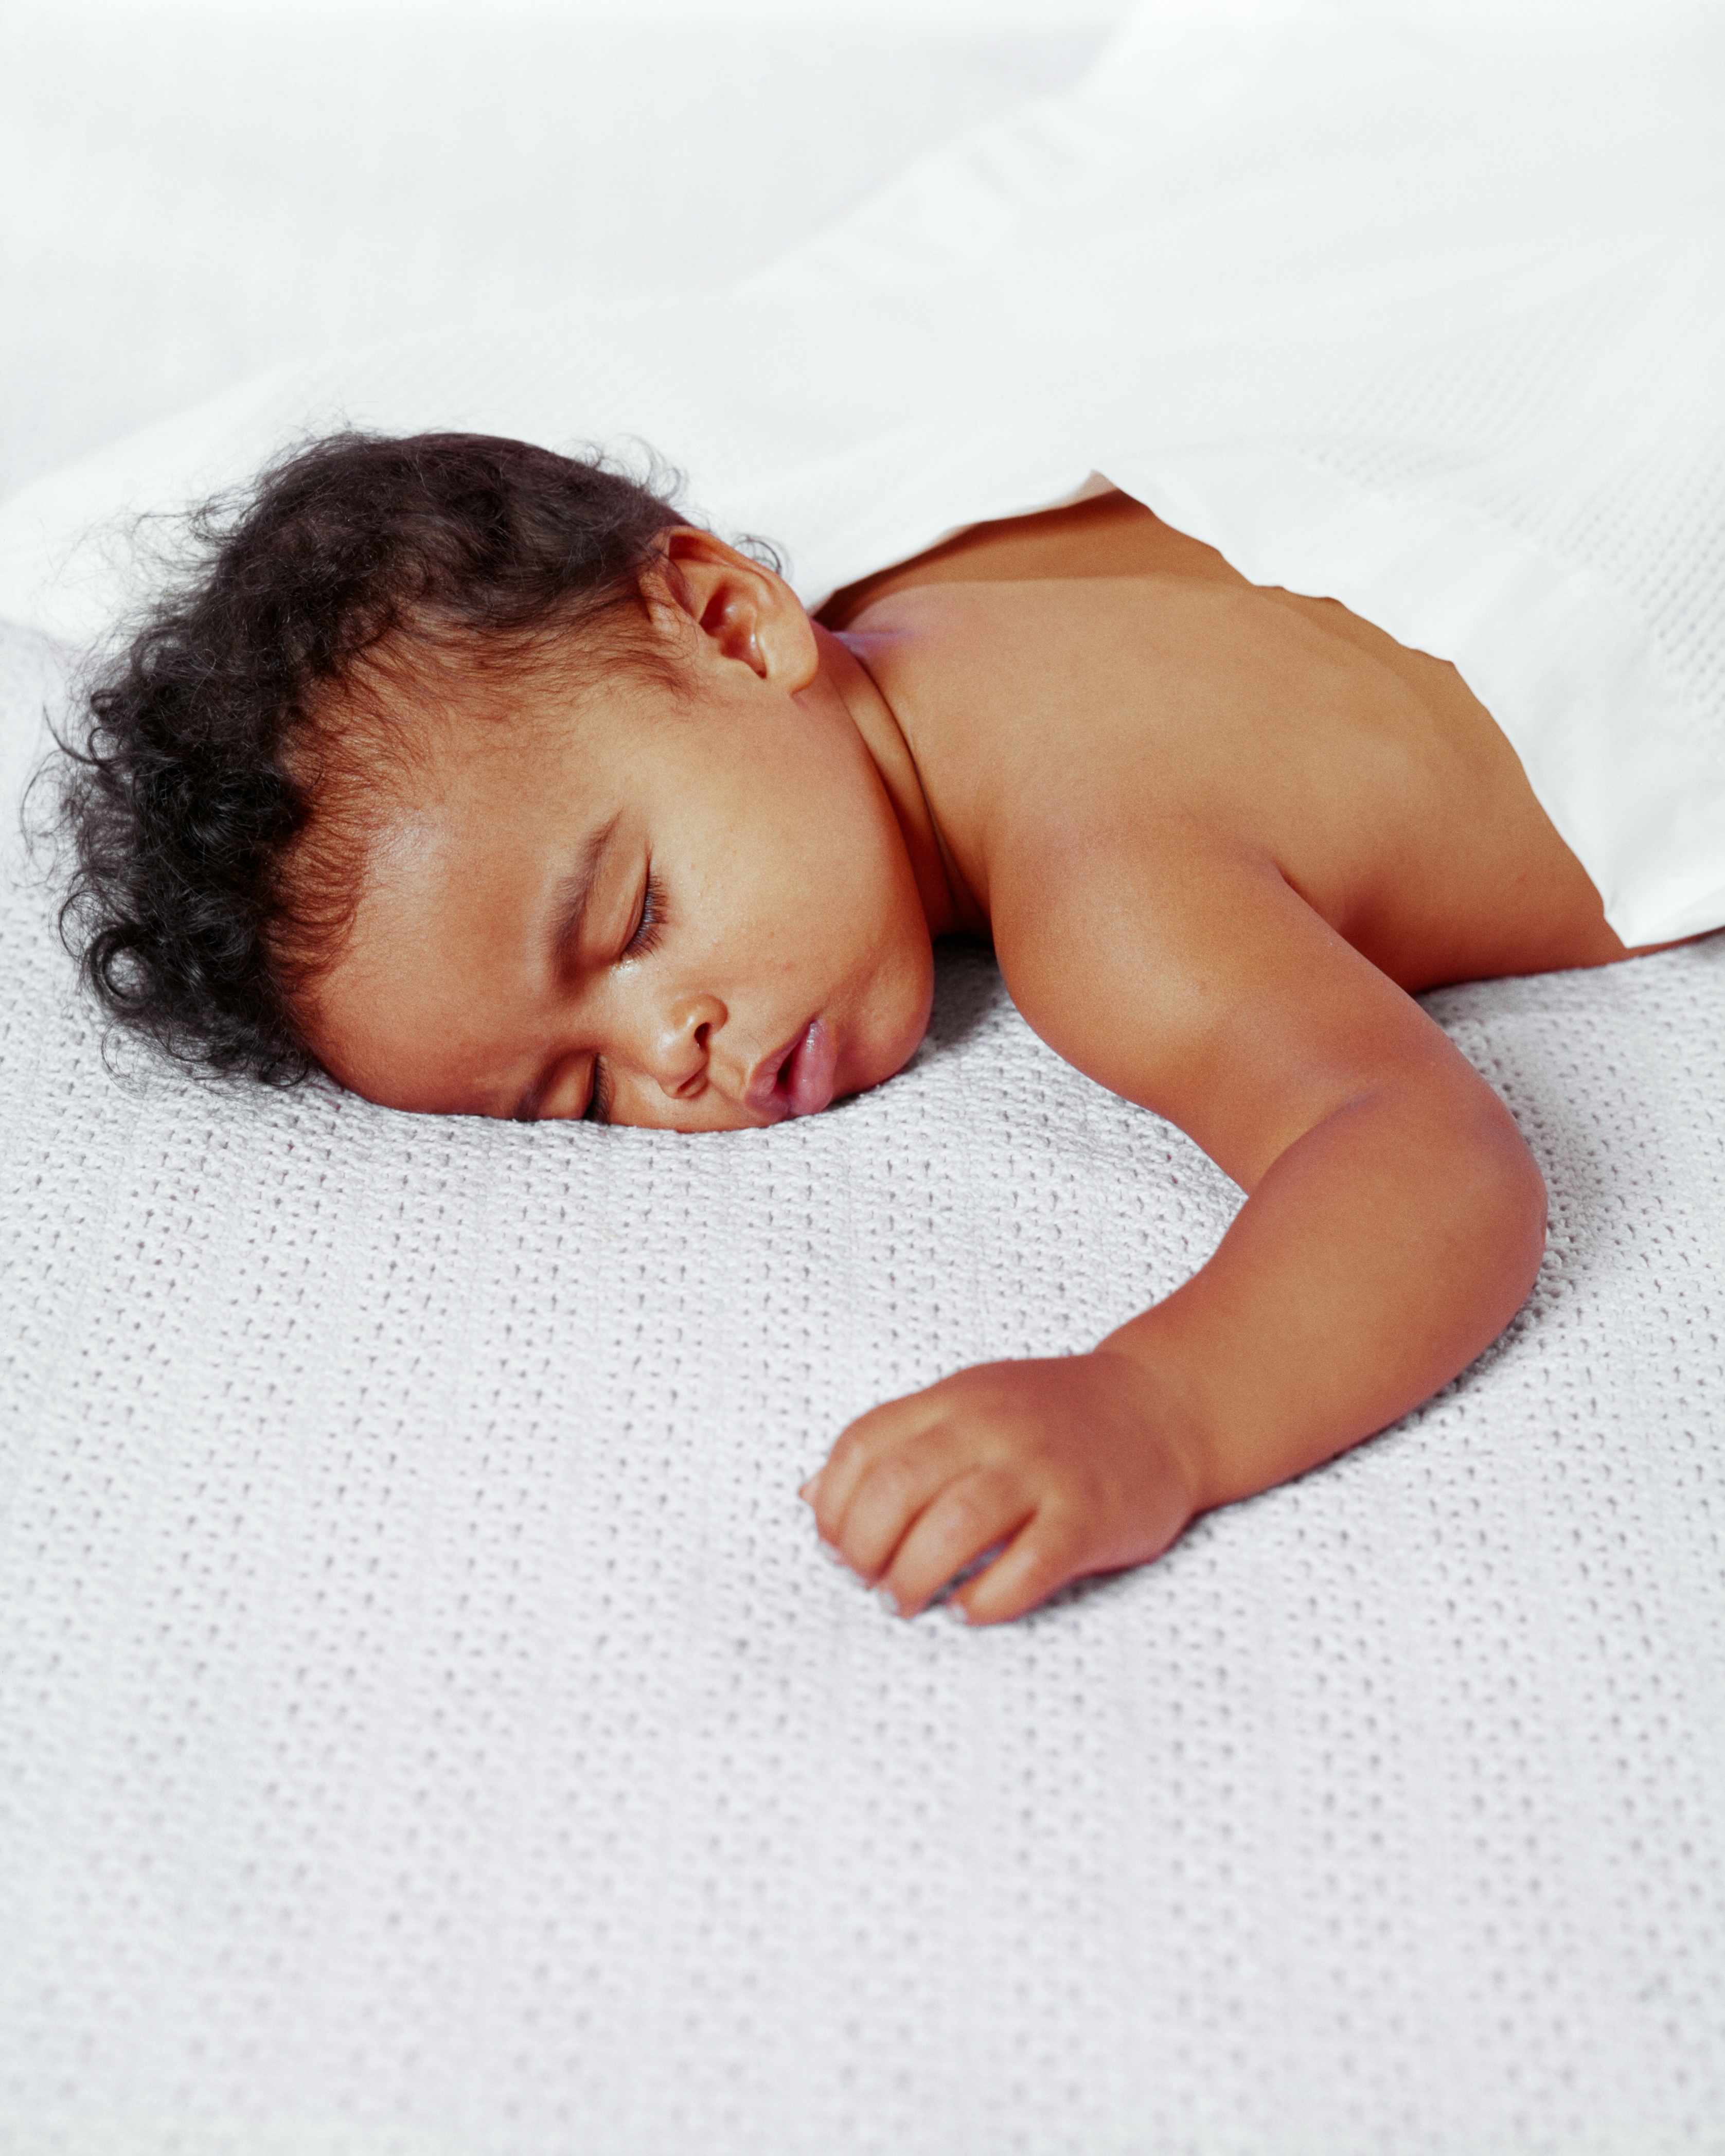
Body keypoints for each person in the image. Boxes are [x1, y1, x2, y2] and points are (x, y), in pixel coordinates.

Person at [56, 431, 1699, 1625]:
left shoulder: (1103, 890)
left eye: (633, 920)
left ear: (729, 623)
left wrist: (1158, 1412)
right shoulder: (905, 577)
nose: (673, 1052)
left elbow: (1422, 1158)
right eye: (576, 1095)